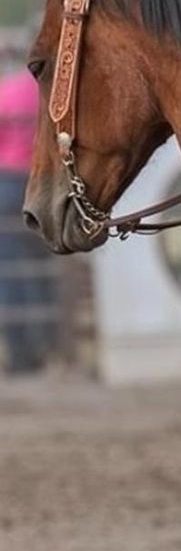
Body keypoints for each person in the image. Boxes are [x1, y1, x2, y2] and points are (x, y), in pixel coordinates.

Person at [0, 67, 56, 373]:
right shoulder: (46, 92)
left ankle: (20, 353)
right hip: (40, 182)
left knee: (10, 275)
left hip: (7, 184)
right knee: (42, 270)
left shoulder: (5, 92)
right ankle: (48, 345)